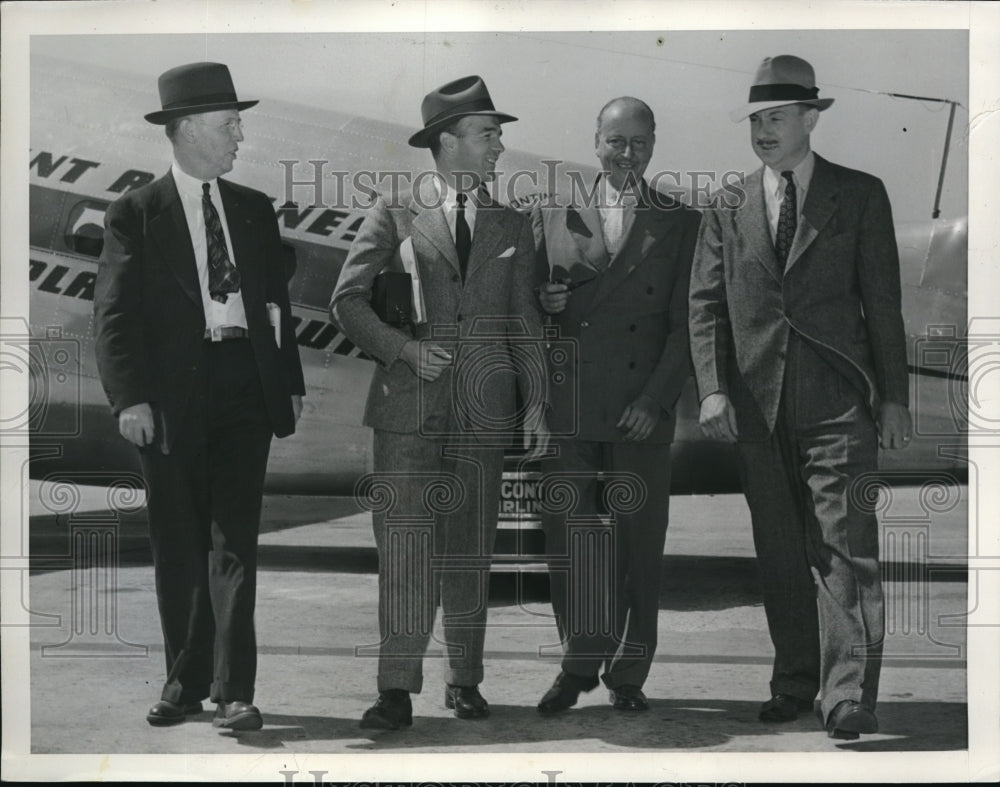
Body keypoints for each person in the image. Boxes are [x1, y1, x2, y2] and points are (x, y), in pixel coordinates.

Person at [688, 55, 912, 739]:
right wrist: (713, 389)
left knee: (846, 549)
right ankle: (793, 681)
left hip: (839, 403)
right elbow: (705, 306)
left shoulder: (861, 194)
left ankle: (844, 694)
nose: (763, 130)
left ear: (809, 119)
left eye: (776, 118)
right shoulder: (726, 205)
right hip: (756, 408)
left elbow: (883, 302)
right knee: (781, 551)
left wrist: (894, 395)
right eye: (756, 119)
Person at [330, 75, 548, 730]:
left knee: (469, 550)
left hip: (483, 413)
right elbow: (347, 302)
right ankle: (395, 688)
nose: (499, 147)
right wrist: (402, 348)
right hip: (406, 413)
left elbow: (526, 323)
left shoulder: (513, 222)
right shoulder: (392, 213)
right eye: (489, 134)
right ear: (448, 141)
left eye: (498, 135)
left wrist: (536, 406)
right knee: (403, 549)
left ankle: (465, 679)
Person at [93, 62, 305, 732]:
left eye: (238, 123)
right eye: (228, 124)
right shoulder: (136, 214)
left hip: (245, 384)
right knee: (179, 540)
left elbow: (276, 305)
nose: (239, 136)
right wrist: (130, 398)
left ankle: (234, 690)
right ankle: (184, 683)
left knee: (234, 541)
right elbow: (115, 315)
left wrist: (288, 384)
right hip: (170, 398)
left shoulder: (252, 208)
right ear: (184, 131)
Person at [532, 97, 700, 714]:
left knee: (637, 545)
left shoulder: (681, 222)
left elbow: (690, 323)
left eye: (639, 142)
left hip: (640, 408)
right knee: (569, 541)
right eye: (615, 141)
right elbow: (525, 305)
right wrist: (545, 299)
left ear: (654, 143)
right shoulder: (553, 211)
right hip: (569, 404)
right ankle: (576, 666)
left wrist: (656, 400)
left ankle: (628, 673)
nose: (627, 153)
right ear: (594, 141)